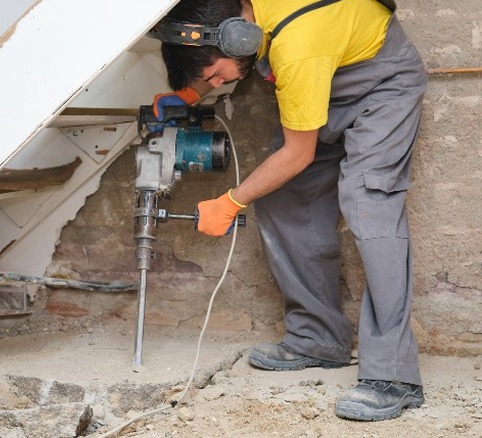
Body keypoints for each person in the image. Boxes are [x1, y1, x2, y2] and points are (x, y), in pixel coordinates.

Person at [149, 0, 428, 422]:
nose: (219, 83)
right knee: (282, 196)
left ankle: (394, 377)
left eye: (215, 75)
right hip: (327, 83)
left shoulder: (297, 45)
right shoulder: (246, 19)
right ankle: (318, 338)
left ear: (235, 37)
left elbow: (299, 154)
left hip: (381, 86)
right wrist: (188, 93)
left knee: (369, 203)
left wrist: (230, 201)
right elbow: (224, 65)